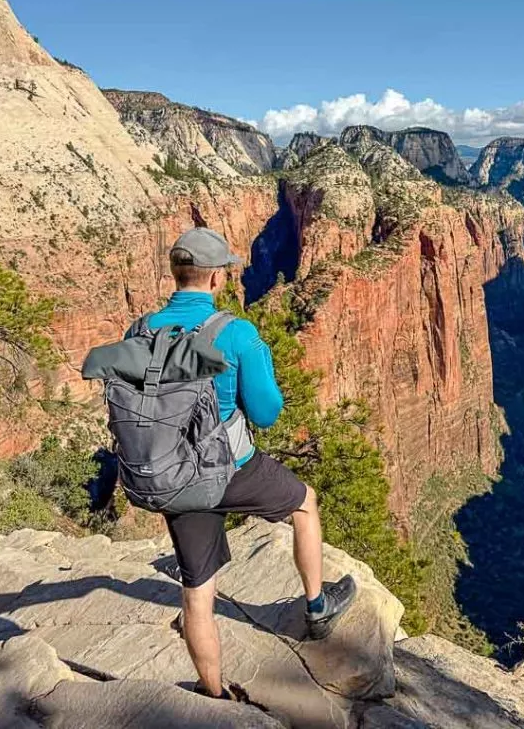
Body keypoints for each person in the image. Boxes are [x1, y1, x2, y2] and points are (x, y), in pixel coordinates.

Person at [126, 227, 356, 700]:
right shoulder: (236, 333)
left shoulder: (140, 330)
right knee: (305, 505)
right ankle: (317, 607)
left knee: (197, 591)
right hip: (232, 469)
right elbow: (268, 412)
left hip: (170, 474)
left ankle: (213, 694)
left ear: (176, 275)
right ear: (216, 280)